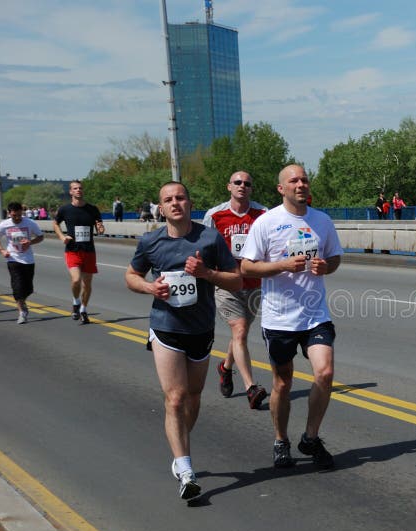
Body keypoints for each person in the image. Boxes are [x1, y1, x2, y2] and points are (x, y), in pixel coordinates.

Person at [125, 181, 241, 500]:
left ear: (190, 203)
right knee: (175, 398)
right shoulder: (151, 241)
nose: (175, 203)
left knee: (192, 397)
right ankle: (186, 468)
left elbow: (236, 279)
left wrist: (207, 274)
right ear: (161, 208)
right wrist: (150, 288)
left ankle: (180, 447)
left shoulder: (209, 237)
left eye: (180, 198)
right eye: (168, 200)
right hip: (166, 326)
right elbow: (131, 277)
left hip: (201, 329)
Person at [240, 164, 343, 470]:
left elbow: (335, 257)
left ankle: (310, 438)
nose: (300, 184)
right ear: (281, 189)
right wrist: (282, 265)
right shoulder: (266, 222)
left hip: (315, 315)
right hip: (279, 319)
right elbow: (247, 267)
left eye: (304, 179)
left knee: (324, 373)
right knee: (283, 384)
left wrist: (327, 267)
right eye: (293, 180)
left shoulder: (322, 220)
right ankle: (280, 439)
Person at [203, 171, 268, 409]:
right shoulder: (215, 214)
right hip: (226, 283)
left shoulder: (263, 214)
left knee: (240, 334)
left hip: (253, 284)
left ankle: (225, 367)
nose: (242, 186)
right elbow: (205, 246)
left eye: (247, 183)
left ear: (251, 189)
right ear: (229, 186)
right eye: (238, 182)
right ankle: (252, 388)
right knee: (239, 330)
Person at [53, 180, 105, 324]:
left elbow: (99, 226)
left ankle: (83, 309)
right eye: (75, 188)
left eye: (80, 188)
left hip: (89, 250)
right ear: (70, 192)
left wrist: (100, 229)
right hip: (72, 250)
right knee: (76, 279)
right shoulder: (65, 209)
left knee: (87, 284)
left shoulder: (92, 209)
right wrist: (62, 237)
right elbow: (55, 223)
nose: (78, 190)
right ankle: (76, 302)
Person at [0, 202, 44, 324]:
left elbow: (41, 236)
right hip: (13, 258)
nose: (17, 218)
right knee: (17, 287)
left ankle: (22, 300)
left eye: (19, 215)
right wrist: (2, 250)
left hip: (28, 259)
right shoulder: (4, 225)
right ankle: (22, 312)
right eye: (14, 216)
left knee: (28, 289)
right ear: (9, 213)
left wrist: (30, 242)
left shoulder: (30, 223)